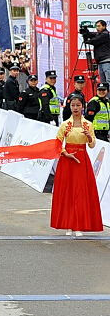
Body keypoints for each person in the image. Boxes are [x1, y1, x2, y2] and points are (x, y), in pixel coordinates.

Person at [52, 94, 103, 236]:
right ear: (69, 107)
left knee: (81, 193)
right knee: (67, 192)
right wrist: (65, 152)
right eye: (73, 105)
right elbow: (57, 143)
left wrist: (89, 137)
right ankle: (68, 225)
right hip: (67, 160)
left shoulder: (88, 124)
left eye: (78, 105)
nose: (75, 108)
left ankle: (79, 225)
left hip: (81, 160)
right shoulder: (64, 125)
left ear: (83, 107)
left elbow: (92, 145)